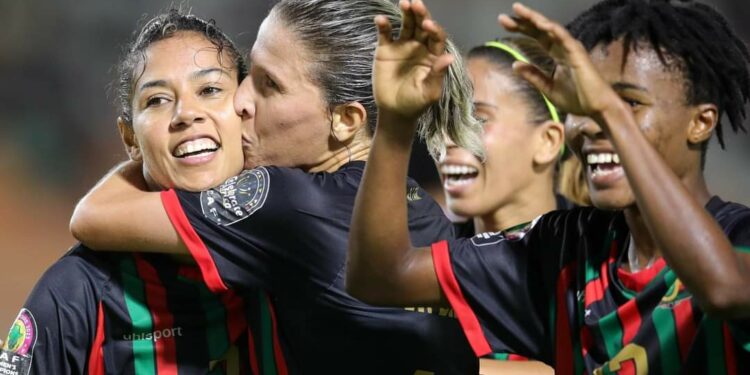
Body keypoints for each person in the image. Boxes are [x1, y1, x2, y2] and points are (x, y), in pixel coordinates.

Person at [70, 0, 481, 373]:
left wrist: (147, 145)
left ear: (345, 121)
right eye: (248, 75)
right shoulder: (428, 215)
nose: (240, 101)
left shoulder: (286, 202)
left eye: (270, 85)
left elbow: (93, 217)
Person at [347, 0, 750, 374]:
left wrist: (605, 111)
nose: (592, 123)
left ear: (701, 122)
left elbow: (724, 290)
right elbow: (381, 276)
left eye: (628, 103)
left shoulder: (739, 239)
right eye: (582, 105)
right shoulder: (564, 248)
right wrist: (396, 124)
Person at [0, 9, 283, 374]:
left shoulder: (298, 242)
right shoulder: (76, 292)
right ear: (130, 139)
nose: (186, 113)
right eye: (157, 100)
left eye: (210, 90)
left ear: (246, 110)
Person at [441, 37, 573, 239]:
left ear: (548, 141)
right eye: (444, 118)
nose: (448, 140)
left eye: (477, 119)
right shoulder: (424, 260)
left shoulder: (604, 254)